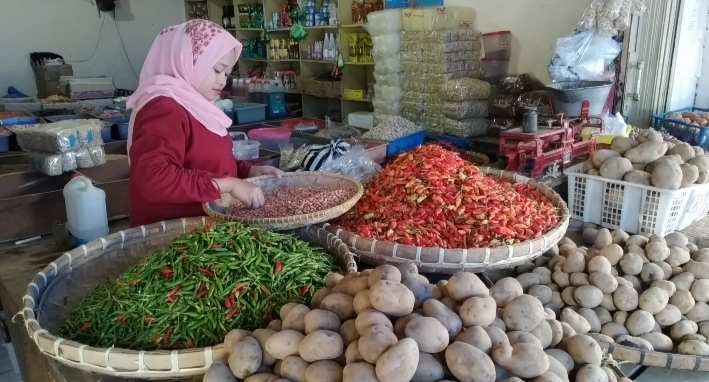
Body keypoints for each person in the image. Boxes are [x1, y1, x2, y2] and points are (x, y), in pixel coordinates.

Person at [127, 20, 281, 227]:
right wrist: (229, 185)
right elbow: (153, 177)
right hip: (174, 235)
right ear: (188, 61)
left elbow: (203, 161)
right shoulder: (164, 107)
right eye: (217, 70)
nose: (223, 81)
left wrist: (247, 171)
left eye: (227, 73)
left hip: (205, 228)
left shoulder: (195, 104)